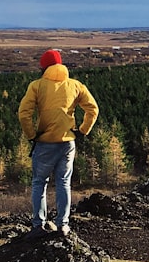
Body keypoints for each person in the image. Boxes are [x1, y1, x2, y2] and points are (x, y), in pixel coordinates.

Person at [17, 49, 99, 236]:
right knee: (63, 183)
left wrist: (32, 135)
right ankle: (63, 225)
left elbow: (24, 114)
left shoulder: (36, 86)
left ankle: (39, 225)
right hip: (68, 142)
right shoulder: (75, 85)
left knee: (39, 183)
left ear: (44, 67)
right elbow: (93, 109)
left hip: (45, 143)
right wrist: (83, 131)